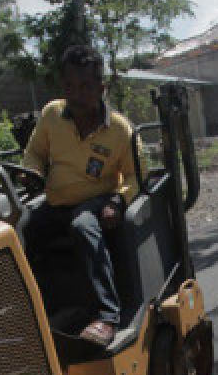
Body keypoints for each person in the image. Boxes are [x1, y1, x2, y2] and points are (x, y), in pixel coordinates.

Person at [21, 45, 141, 347]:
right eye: (70, 86)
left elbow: (136, 176)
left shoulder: (119, 130)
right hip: (56, 201)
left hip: (95, 199)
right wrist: (31, 172)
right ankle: (39, 311)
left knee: (82, 226)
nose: (76, 94)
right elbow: (34, 154)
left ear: (100, 87)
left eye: (85, 86)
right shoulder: (52, 115)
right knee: (20, 229)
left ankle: (107, 316)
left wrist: (118, 201)